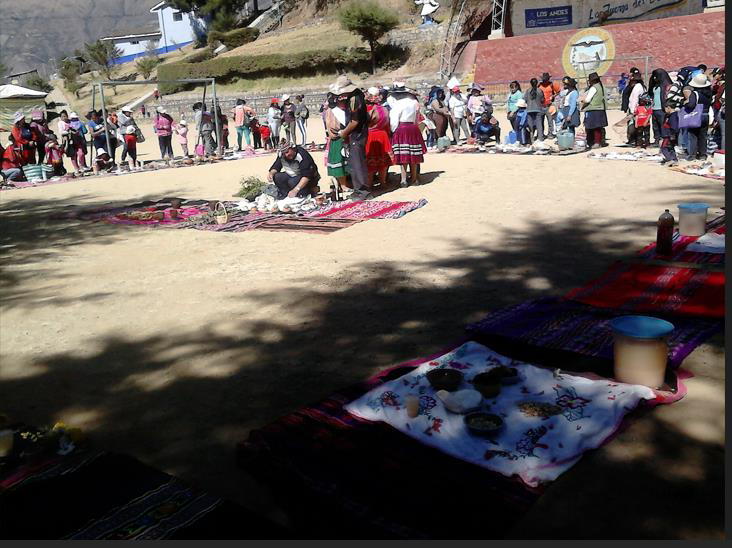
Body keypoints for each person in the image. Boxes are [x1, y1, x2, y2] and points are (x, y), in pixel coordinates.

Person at [335, 75, 371, 201]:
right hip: (357, 134)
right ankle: (358, 190)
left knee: (357, 164)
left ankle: (363, 191)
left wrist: (343, 133)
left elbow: (354, 121)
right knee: (354, 163)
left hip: (357, 135)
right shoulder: (356, 96)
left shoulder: (355, 99)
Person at [389, 83, 426, 187]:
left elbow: (394, 120)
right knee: (413, 155)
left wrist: (393, 131)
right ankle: (414, 179)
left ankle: (403, 179)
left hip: (402, 128)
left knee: (403, 155)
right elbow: (416, 118)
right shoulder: (414, 103)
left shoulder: (398, 104)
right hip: (413, 128)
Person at [365, 87, 394, 187]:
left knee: (370, 162)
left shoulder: (368, 109)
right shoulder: (384, 109)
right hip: (383, 135)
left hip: (370, 135)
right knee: (383, 162)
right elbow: (388, 124)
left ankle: (369, 184)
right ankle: (383, 182)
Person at [683, 73, 713, 161]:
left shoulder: (694, 94)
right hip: (706, 115)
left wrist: (685, 104)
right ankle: (703, 155)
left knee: (692, 135)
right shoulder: (708, 94)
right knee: (703, 136)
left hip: (696, 116)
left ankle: (692, 155)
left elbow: (691, 105)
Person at [581, 72, 608, 149]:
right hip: (600, 109)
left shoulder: (593, 88)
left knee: (592, 127)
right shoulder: (601, 86)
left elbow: (588, 100)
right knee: (598, 127)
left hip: (593, 109)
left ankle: (595, 142)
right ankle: (599, 141)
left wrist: (582, 100)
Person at [648, 69, 673, 147]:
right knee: (655, 126)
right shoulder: (655, 85)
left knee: (663, 125)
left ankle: (664, 141)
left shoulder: (666, 85)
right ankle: (657, 140)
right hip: (655, 108)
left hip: (662, 109)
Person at [623, 69, 646, 145]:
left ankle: (633, 140)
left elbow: (634, 99)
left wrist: (632, 111)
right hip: (640, 109)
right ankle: (636, 140)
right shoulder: (642, 87)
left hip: (635, 110)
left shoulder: (637, 87)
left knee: (633, 126)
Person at [538, 72, 559, 138]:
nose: (545, 80)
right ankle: (541, 134)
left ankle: (550, 134)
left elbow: (558, 91)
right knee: (540, 122)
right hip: (540, 106)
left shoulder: (551, 85)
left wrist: (553, 96)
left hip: (549, 105)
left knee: (550, 121)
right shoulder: (539, 85)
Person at [524, 78, 545, 142]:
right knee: (539, 125)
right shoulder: (540, 91)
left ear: (530, 83)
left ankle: (531, 139)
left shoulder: (528, 91)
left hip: (529, 110)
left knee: (530, 125)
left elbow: (525, 100)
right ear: (537, 83)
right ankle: (540, 139)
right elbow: (542, 100)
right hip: (538, 109)